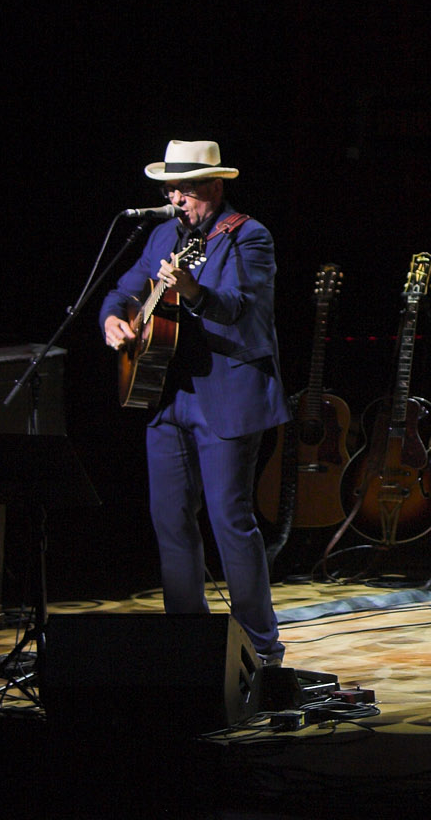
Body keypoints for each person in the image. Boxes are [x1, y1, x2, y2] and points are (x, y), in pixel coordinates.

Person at [100, 139, 290, 666]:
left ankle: (260, 647)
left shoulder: (248, 236)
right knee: (170, 519)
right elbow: (122, 291)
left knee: (230, 519)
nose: (176, 198)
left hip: (227, 396)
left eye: (186, 189)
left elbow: (242, 309)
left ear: (215, 186)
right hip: (166, 394)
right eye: (170, 189)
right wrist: (112, 320)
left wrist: (193, 291)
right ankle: (187, 643)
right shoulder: (162, 234)